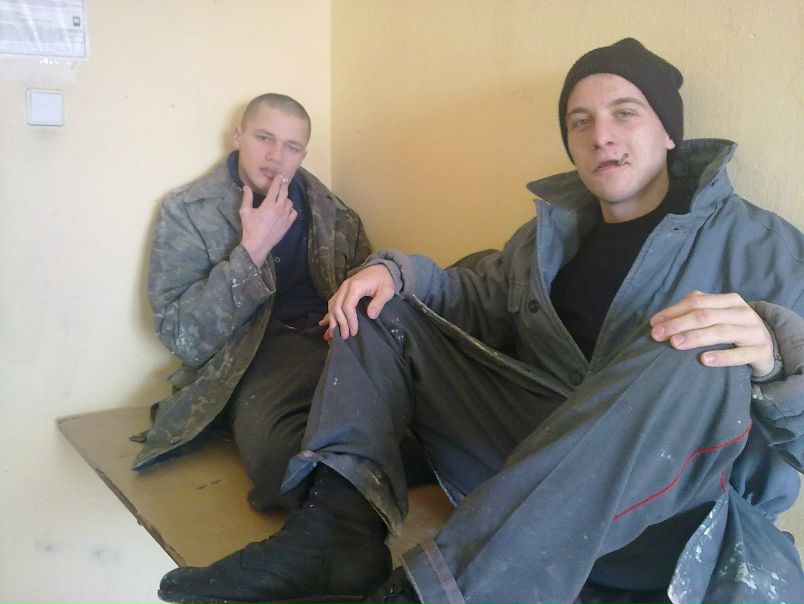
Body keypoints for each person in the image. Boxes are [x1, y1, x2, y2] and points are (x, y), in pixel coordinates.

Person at [157, 40, 804, 604]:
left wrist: (778, 356)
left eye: (625, 113)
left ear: (668, 131)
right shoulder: (547, 238)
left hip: (664, 513)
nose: (601, 135)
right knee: (382, 301)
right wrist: (394, 272)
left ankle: (439, 591)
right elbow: (468, 291)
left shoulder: (765, 247)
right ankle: (337, 537)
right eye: (581, 121)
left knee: (698, 335)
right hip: (527, 460)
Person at [133, 93, 430, 511]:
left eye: (291, 146)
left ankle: (366, 460)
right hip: (251, 359)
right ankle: (363, 467)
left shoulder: (334, 213)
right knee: (284, 467)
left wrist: (352, 314)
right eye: (264, 138)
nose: (275, 156)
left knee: (435, 413)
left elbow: (364, 292)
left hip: (335, 345)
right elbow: (183, 337)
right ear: (238, 136)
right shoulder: (188, 212)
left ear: (303, 154)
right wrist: (251, 252)